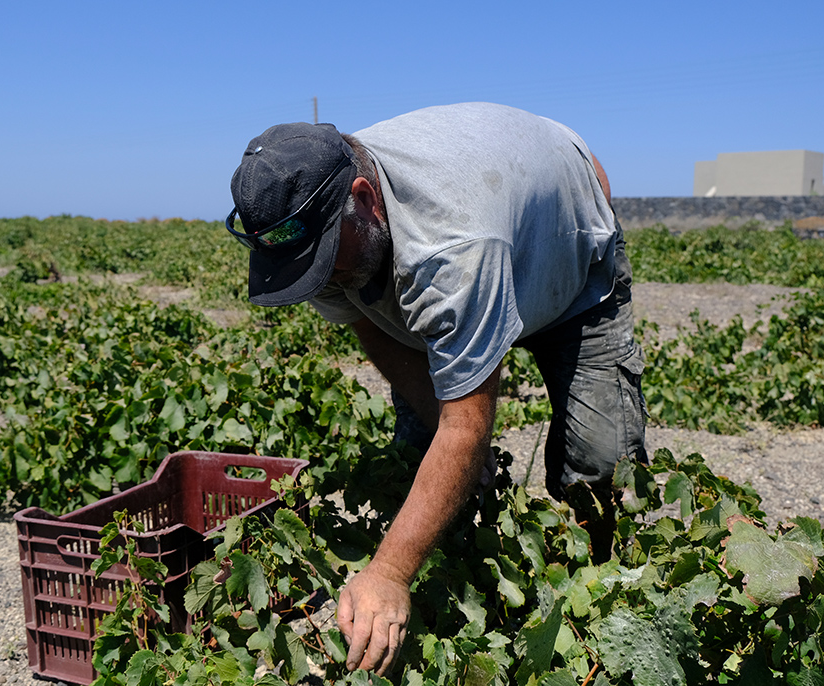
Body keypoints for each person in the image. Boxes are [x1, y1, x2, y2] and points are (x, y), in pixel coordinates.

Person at [226, 102, 647, 675]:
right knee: (425, 450)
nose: (320, 279)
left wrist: (389, 572)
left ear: (364, 199)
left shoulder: (452, 244)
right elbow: (366, 324)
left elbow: (466, 424)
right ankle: (456, 565)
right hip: (479, 234)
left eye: (326, 262)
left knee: (598, 467)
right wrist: (443, 435)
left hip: (572, 271)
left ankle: (601, 612)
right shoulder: (313, 237)